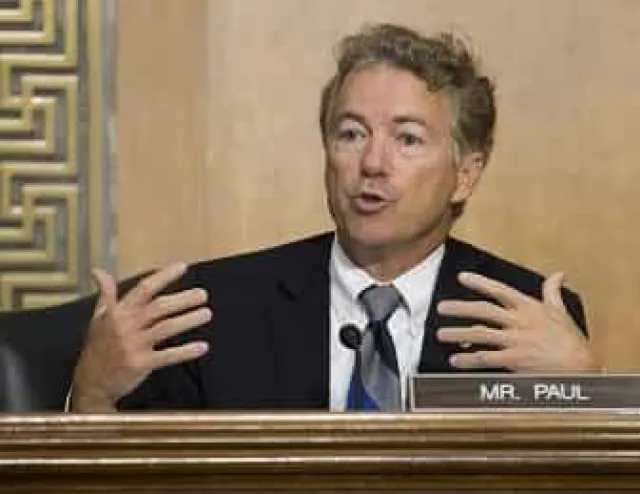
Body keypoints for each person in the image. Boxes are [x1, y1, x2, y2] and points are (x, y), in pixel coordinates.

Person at [70, 23, 595, 413]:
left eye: (408, 139)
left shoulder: (523, 318)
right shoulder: (213, 313)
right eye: (351, 133)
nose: (372, 162)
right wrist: (92, 395)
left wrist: (586, 391)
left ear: (466, 174)